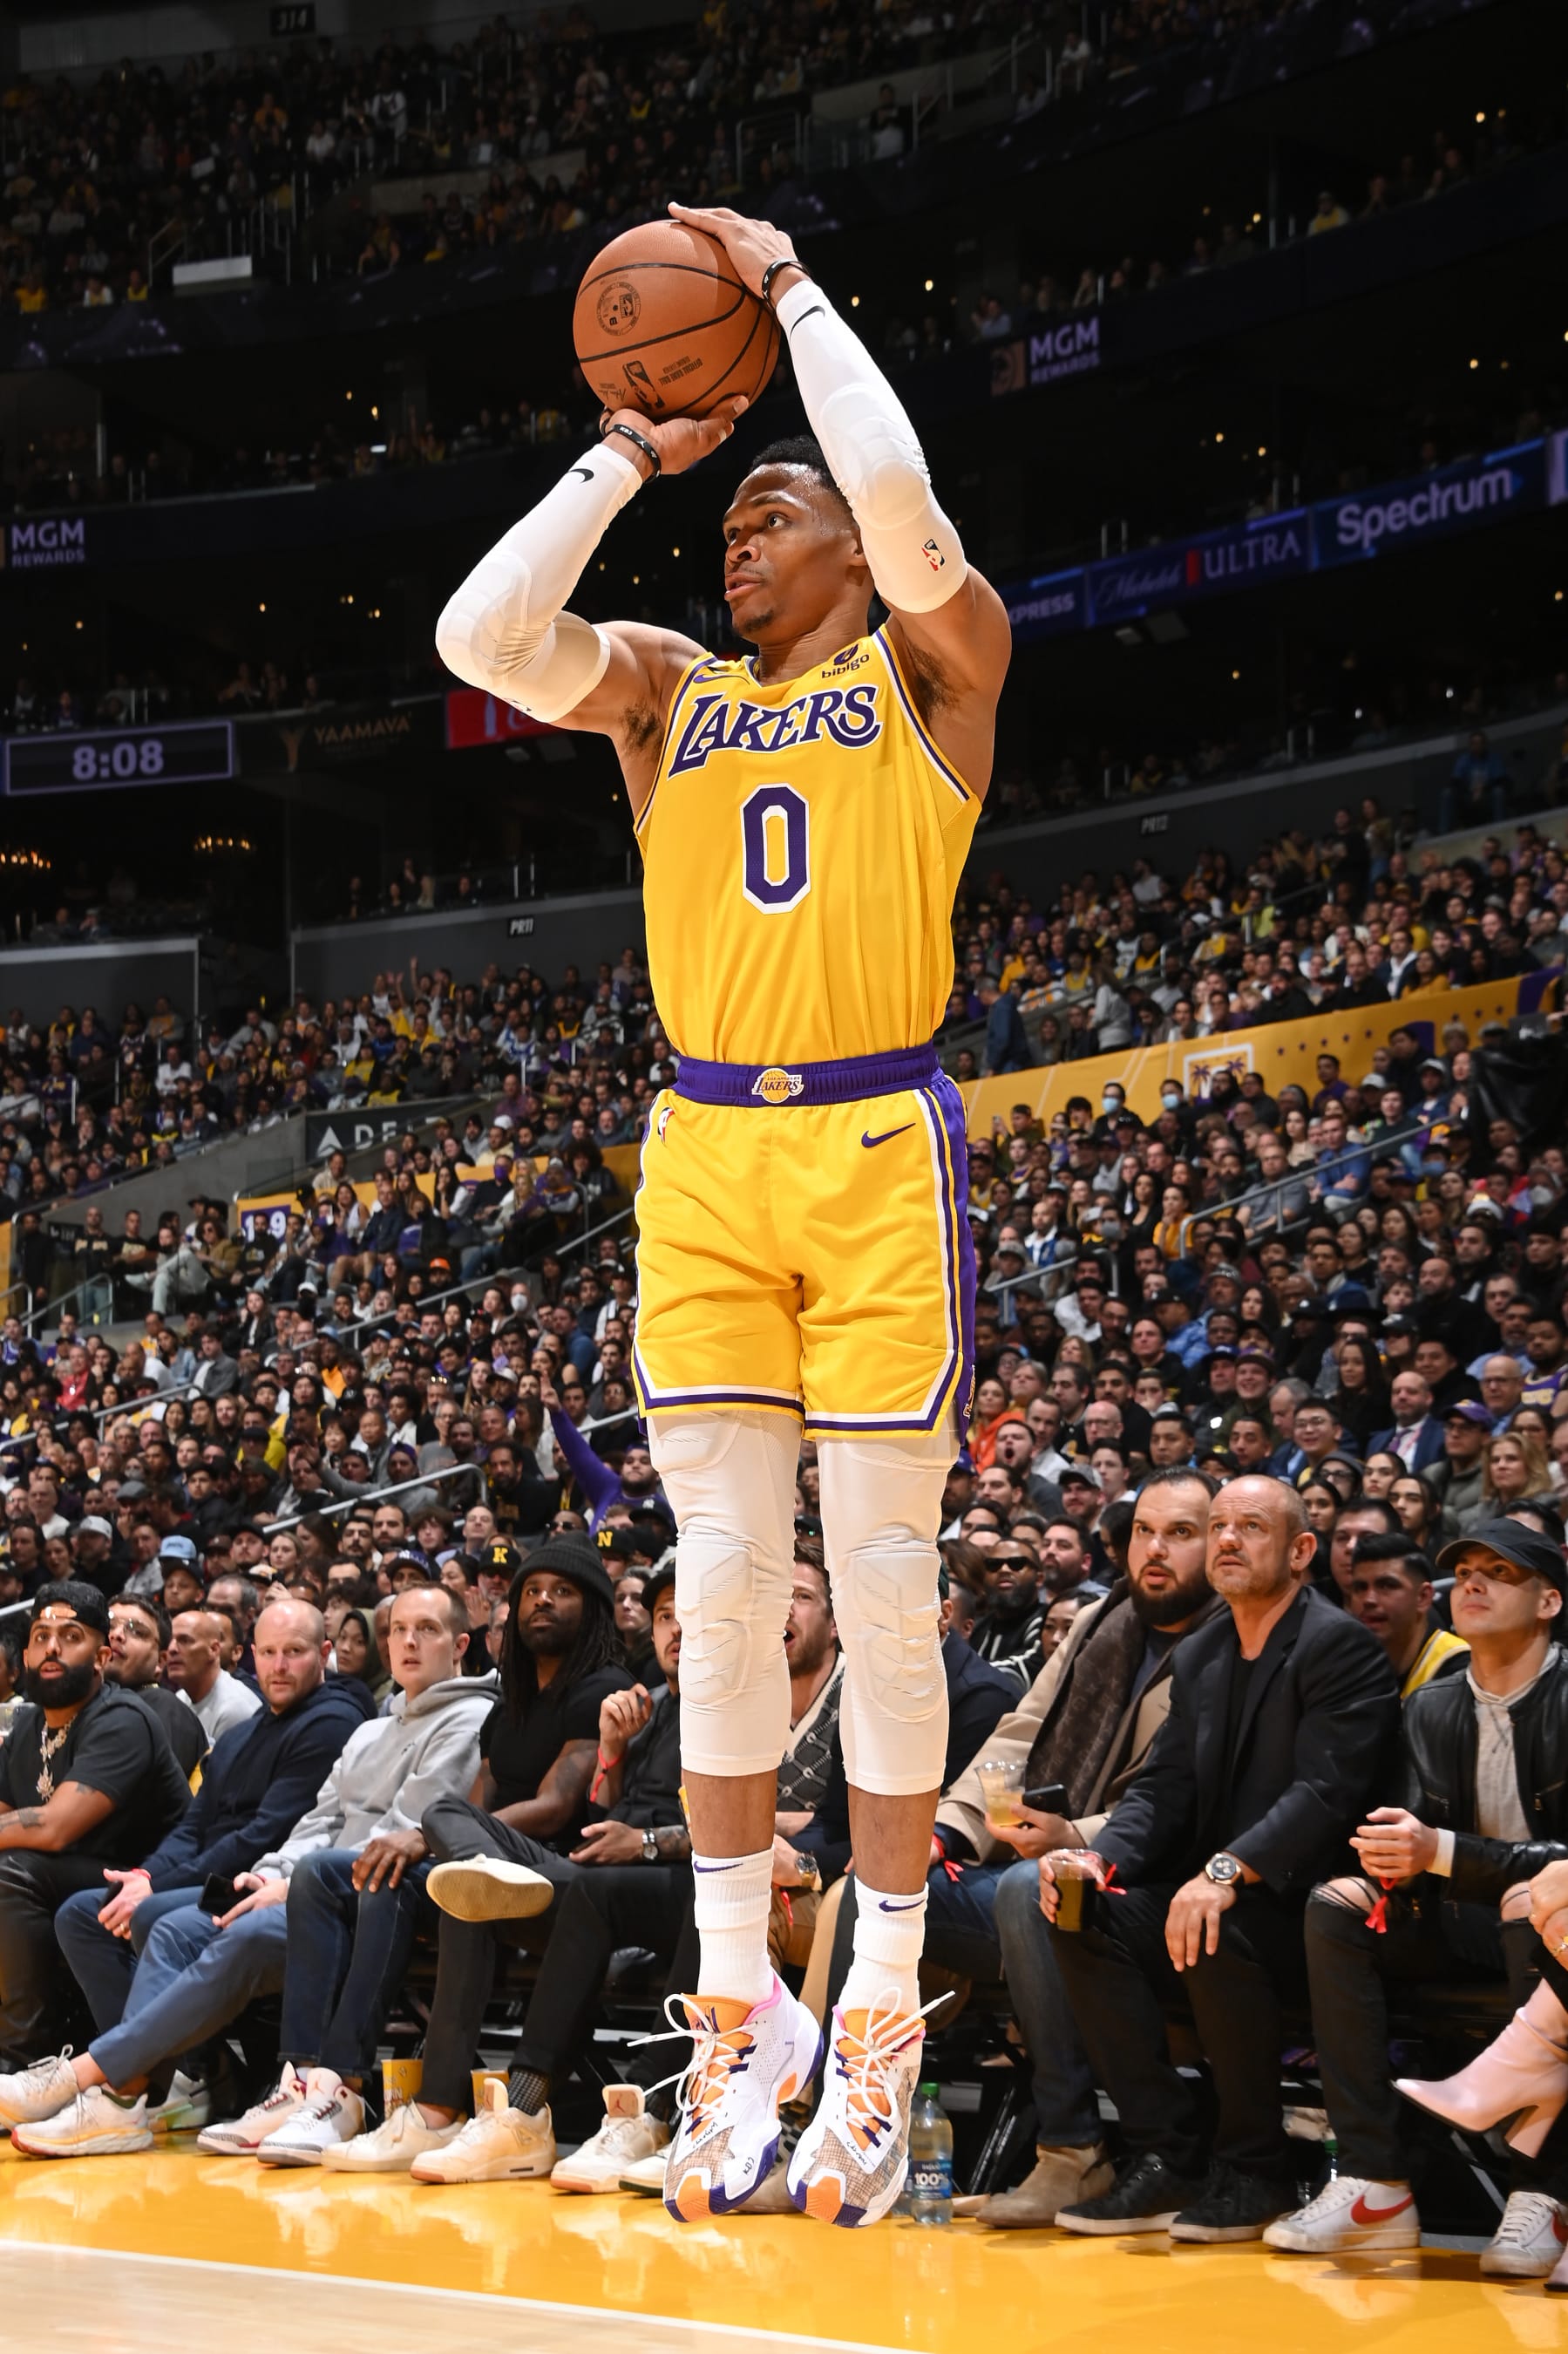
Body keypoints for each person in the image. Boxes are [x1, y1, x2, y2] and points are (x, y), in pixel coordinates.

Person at [436, 199, 1010, 2227]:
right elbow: (481, 639)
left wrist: (781, 295)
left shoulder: (941, 658)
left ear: (848, 537)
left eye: (772, 514)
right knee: (726, 1577)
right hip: (701, 1152)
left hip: (871, 1142)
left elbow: (910, 502)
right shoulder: (671, 693)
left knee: (881, 1576)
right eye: (733, 525)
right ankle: (741, 1998)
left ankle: (887, 2004)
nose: (737, 543)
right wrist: (625, 450)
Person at [2, 1585, 492, 2159]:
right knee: (147, 1921)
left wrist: (283, 1878)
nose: (408, 1641)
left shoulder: (419, 1719)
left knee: (188, 1919)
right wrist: (265, 1875)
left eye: (427, 1630)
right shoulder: (358, 1731)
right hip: (292, 1882)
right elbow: (310, 1821)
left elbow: (398, 1832)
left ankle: (103, 2080)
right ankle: (173, 2079)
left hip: (370, 1896)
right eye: (399, 1629)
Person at [1044, 1477, 1400, 2242]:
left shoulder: (1338, 1645)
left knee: (1212, 1924)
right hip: (1223, 1895)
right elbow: (1163, 1786)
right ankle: (1165, 2152)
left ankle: (1255, 2167)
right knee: (1081, 1914)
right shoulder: (1204, 1651)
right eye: (1219, 1526)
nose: (1230, 1540)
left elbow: (1323, 1794)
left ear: (1302, 1551)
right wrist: (1095, 1861)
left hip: (1318, 1907)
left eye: (1251, 1527)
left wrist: (1222, 1872)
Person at [324, 1557, 688, 2184]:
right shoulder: (641, 1704)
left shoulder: (622, 1686)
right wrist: (612, 1755)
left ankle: (581, 2112)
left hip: (594, 1879)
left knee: (466, 1860)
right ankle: (436, 2109)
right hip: (580, 1875)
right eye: (663, 1617)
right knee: (466, 1889)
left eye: (562, 1590)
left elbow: (570, 1811)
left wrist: (647, 1838)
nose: (542, 1601)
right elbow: (606, 1808)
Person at [1266, 1521, 1568, 2271]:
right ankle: (1374, 2181)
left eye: (1497, 1572)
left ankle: (1545, 2195)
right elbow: (1412, 1832)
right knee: (1335, 1904)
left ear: (1548, 1601)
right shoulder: (1429, 1705)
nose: (1470, 1584)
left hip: (1547, 1927)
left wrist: (1444, 1854)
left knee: (1534, 1905)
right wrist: (1388, 1861)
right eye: (1462, 1571)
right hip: (1459, 1917)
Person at [940, 1471, 1225, 2228]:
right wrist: (949, 1826)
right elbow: (1017, 1735)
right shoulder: (1104, 1618)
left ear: (1217, 1544)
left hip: (1148, 1873)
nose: (1155, 1550)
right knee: (880, 1882)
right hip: (1046, 1851)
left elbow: (1186, 1794)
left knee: (1026, 1891)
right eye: (1142, 1532)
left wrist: (1078, 1840)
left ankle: (1070, 2153)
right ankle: (822, 2124)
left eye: (1179, 1534)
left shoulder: (1230, 1637)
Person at [37, 1597, 370, 2132]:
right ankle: (190, 2072)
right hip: (223, 1876)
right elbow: (193, 1827)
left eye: (294, 1652)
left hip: (258, 1881)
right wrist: (144, 1876)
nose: (279, 1666)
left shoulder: (331, 1722)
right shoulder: (243, 1734)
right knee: (82, 1914)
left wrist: (155, 1889)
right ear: (252, 1657)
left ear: (324, 1654)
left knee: (151, 1916)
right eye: (269, 1653)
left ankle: (132, 2085)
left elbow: (262, 1834)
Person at [0, 1582, 190, 2065]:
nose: (52, 1647)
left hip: (143, 1878)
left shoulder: (123, 1717)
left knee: (12, 1872)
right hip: (65, 1874)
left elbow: (53, 1828)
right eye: (40, 1636)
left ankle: (25, 2060)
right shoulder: (26, 1725)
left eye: (70, 1636)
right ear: (24, 1656)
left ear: (102, 1656)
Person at [1343, 1533, 1469, 1697]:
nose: (1368, 1600)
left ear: (1423, 1597)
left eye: (1387, 1586)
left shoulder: (1462, 1670)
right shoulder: (1351, 1663)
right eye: (1360, 1588)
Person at [103, 1595, 207, 1778]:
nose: (116, 1635)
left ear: (160, 1660)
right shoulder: (83, 1699)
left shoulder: (165, 1708)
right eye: (108, 1626)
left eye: (136, 1631)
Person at [167, 1607, 262, 1747]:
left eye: (185, 1640)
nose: (172, 1649)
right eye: (171, 1640)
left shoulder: (235, 1709)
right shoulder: (180, 1698)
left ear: (214, 1649)